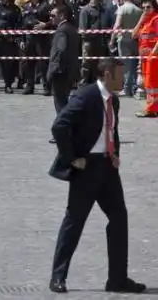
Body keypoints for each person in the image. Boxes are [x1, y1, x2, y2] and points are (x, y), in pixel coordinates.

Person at [48, 58, 146, 294]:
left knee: (119, 219)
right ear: (107, 75)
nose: (124, 80)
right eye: (120, 75)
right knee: (74, 221)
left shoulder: (113, 100)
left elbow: (112, 129)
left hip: (107, 168)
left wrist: (115, 154)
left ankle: (118, 279)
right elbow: (59, 126)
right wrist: (72, 158)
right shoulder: (86, 96)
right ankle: (58, 277)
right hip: (87, 167)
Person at [47, 3, 80, 114]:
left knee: (60, 101)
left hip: (61, 71)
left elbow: (60, 51)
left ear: (61, 16)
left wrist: (52, 71)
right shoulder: (72, 29)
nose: (50, 18)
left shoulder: (62, 30)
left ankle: (63, 125)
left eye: (53, 15)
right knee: (64, 99)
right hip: (70, 70)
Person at [133, 0, 158, 117]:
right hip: (145, 58)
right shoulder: (145, 21)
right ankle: (151, 108)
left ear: (154, 7)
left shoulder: (156, 19)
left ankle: (152, 109)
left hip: (153, 57)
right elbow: (133, 35)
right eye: (143, 7)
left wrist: (153, 53)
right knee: (148, 84)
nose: (145, 10)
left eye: (148, 7)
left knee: (152, 83)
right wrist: (140, 20)